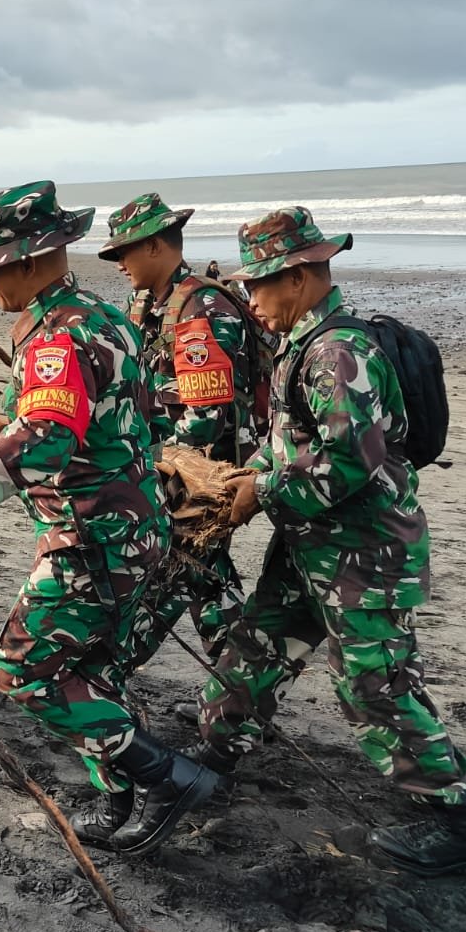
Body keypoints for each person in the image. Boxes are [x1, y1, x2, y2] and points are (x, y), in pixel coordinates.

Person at [0, 182, 215, 855]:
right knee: (91, 668)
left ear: (27, 261)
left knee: (22, 669)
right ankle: (119, 797)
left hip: (92, 540)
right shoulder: (106, 317)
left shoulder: (58, 337)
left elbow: (43, 442)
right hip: (131, 529)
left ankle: (168, 779)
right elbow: (138, 420)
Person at [202, 207, 466, 877]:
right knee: (255, 648)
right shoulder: (302, 342)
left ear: (300, 277)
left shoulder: (338, 352)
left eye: (260, 285)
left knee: (375, 686)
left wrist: (261, 491)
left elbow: (349, 461)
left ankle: (461, 827)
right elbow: (292, 442)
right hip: (311, 548)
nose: (252, 300)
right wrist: (256, 475)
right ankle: (214, 759)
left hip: (365, 555)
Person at [98, 194, 260, 708]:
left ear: (154, 246)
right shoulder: (151, 303)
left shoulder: (199, 309)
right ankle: (241, 698)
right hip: (172, 468)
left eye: (124, 252)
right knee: (207, 584)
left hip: (200, 477)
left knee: (174, 574)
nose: (119, 264)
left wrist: (156, 469)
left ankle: (106, 679)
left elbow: (207, 413)